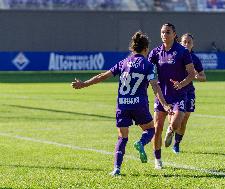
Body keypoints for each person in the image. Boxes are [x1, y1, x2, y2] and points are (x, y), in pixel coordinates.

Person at [71, 31, 172, 176]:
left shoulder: (123, 63)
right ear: (145, 49)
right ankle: (141, 143)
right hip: (139, 105)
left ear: (133, 48)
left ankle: (116, 169)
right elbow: (155, 86)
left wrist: (84, 84)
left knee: (122, 137)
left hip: (123, 105)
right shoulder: (149, 65)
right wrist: (165, 105)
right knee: (150, 130)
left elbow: (102, 76)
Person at [148, 23, 195, 169]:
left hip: (179, 95)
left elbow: (191, 73)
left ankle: (171, 131)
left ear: (174, 34)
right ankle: (157, 159)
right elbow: (148, 72)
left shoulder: (182, 52)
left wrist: (181, 83)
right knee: (157, 128)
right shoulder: (155, 53)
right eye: (162, 32)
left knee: (175, 123)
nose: (164, 35)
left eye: (168, 32)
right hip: (161, 95)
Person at [169, 33, 206, 154]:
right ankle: (171, 130)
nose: (186, 44)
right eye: (184, 41)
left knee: (184, 119)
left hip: (189, 92)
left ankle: (176, 144)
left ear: (192, 44)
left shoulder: (194, 59)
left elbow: (203, 77)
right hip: (175, 90)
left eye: (189, 42)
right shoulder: (174, 55)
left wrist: (196, 76)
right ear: (180, 42)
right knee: (175, 118)